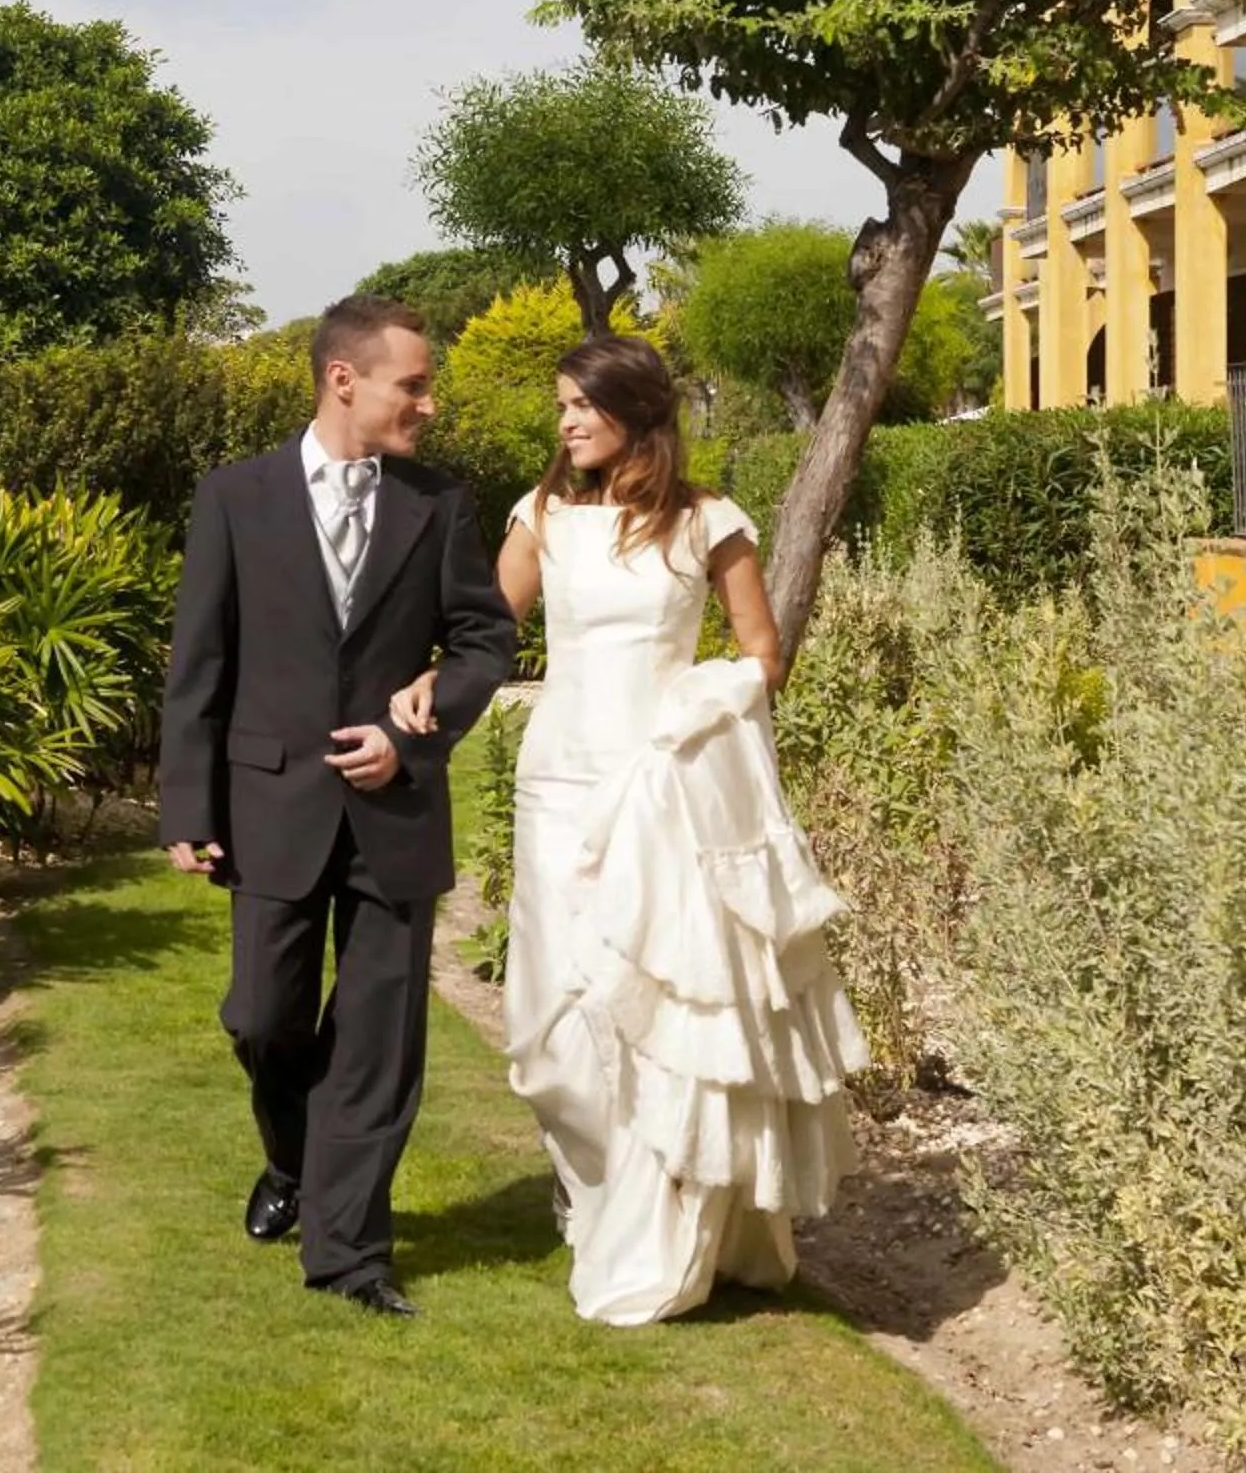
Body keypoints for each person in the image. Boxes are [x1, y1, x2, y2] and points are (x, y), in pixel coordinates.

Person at [400, 333, 864, 1326]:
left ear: (635, 412)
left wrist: (694, 710)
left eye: (582, 405)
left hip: (659, 789)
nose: (566, 422)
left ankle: (660, 1224)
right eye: (562, 406)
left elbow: (763, 655)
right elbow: (486, 635)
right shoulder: (541, 519)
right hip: (559, 785)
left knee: (649, 1008)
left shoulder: (708, 523)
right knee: (552, 1024)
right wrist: (430, 683)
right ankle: (600, 1188)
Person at [157, 295, 517, 1318]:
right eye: (415, 385)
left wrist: (416, 733)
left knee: (376, 1040)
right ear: (343, 380)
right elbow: (201, 660)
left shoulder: (439, 504)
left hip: (395, 812)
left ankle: (350, 1251)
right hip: (270, 803)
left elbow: (486, 640)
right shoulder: (235, 497)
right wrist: (188, 803)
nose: (430, 404)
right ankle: (294, 1160)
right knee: (261, 1018)